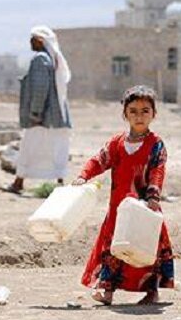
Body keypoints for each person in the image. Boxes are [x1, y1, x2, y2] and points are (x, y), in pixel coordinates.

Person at [72, 85, 174, 305]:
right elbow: (99, 160)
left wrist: (153, 197)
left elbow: (158, 171)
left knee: (147, 249)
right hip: (119, 209)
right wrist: (84, 176)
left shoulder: (156, 145)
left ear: (153, 114)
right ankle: (106, 290)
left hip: (146, 207)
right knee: (112, 249)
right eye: (133, 111)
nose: (139, 116)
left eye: (145, 111)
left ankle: (151, 292)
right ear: (125, 114)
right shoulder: (117, 144)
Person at [1, 26, 72, 194]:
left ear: (40, 41)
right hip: (57, 115)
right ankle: (59, 182)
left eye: (32, 40)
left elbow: (40, 89)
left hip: (43, 117)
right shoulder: (51, 59)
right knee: (56, 148)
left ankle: (18, 183)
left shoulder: (40, 59)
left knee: (29, 148)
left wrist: (35, 113)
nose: (30, 43)